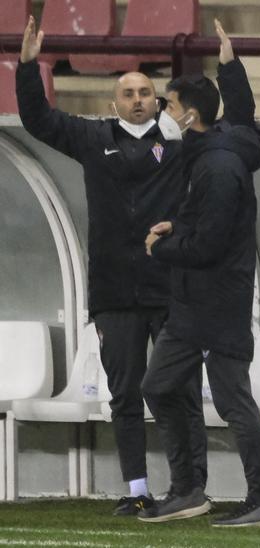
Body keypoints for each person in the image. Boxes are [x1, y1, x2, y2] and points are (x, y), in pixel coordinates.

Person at [14, 15, 209, 516]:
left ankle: (189, 487)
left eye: (146, 91)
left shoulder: (180, 144)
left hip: (169, 288)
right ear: (113, 104)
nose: (139, 98)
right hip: (116, 291)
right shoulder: (90, 138)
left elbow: (230, 136)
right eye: (129, 93)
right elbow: (37, 120)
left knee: (179, 391)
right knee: (124, 394)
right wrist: (29, 66)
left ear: (159, 100)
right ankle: (138, 490)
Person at [137, 21, 260, 527]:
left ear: (191, 115)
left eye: (169, 105)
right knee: (157, 384)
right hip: (193, 301)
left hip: (218, 298)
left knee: (232, 400)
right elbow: (241, 112)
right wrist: (229, 65)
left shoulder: (218, 165)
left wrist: (165, 245)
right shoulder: (215, 146)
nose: (163, 112)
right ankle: (189, 489)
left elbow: (211, 243)